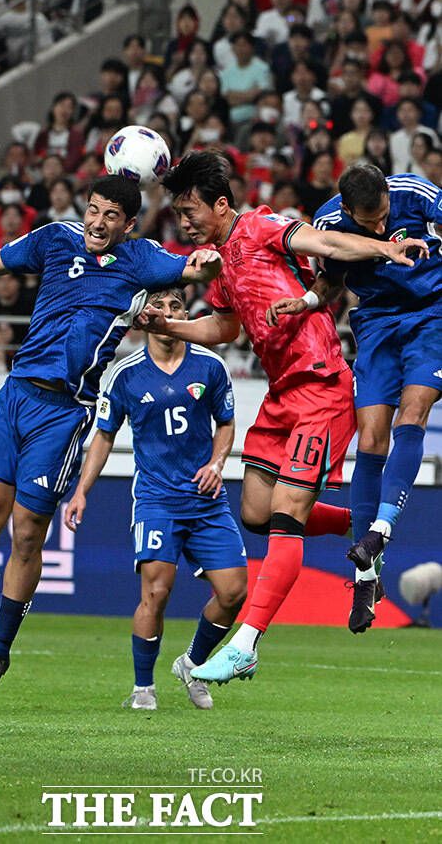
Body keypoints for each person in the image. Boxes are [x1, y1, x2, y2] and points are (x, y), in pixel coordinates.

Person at [0, 175, 223, 700]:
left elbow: (194, 264)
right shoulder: (54, 239)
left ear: (129, 224)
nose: (97, 222)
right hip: (15, 394)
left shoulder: (140, 259)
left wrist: (209, 260)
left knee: (27, 530)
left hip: (65, 411)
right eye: (93, 210)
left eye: (110, 216)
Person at [135, 151, 428, 685]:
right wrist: (168, 327)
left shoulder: (261, 226)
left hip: (319, 385)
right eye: (179, 212)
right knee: (254, 511)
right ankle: (360, 527)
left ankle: (248, 642)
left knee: (287, 518)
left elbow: (327, 243)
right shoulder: (221, 266)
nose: (184, 221)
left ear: (221, 205)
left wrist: (383, 247)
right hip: (280, 398)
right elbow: (225, 330)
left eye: (190, 210)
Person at [65, 288, 246, 711]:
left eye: (175, 306)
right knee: (157, 591)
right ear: (143, 316)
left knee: (234, 592)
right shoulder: (125, 375)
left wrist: (218, 462)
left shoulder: (210, 365)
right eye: (158, 306)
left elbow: (226, 422)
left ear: (186, 313)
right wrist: (81, 492)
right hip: (157, 499)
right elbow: (104, 437)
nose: (167, 313)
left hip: (207, 499)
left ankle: (193, 663)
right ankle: (143, 688)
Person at [310, 165, 442, 633]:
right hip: (377, 322)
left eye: (385, 216)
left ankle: (378, 532)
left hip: (433, 315)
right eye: (370, 224)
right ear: (347, 211)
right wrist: (306, 303)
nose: (382, 228)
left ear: (389, 195)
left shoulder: (417, 192)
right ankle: (366, 574)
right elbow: (328, 284)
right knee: (369, 440)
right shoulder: (326, 224)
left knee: (414, 411)